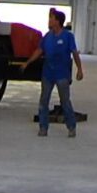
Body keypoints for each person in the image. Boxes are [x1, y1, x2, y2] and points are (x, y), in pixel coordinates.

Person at [37, 8, 83, 137]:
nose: (49, 20)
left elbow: (74, 53)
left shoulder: (68, 36)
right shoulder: (47, 36)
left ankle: (71, 126)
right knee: (43, 101)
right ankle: (43, 127)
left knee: (65, 101)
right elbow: (39, 50)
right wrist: (27, 62)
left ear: (57, 21)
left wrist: (79, 69)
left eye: (51, 18)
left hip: (62, 74)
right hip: (48, 74)